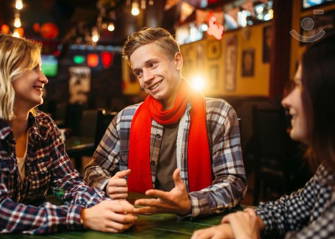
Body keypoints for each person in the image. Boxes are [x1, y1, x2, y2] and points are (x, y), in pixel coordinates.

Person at [0, 34, 136, 235]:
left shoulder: (43, 126)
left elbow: (68, 184)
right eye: (34, 68)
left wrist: (107, 208)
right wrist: (83, 216)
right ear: (5, 73)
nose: (44, 78)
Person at [186, 33, 335, 239]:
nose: (285, 100)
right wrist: (245, 224)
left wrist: (245, 238)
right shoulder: (330, 169)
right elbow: (292, 208)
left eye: (299, 85)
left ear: (326, 98)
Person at [84, 27, 246, 217]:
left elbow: (234, 183)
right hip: (139, 221)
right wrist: (107, 184)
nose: (146, 79)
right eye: (139, 73)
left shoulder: (218, 113)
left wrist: (189, 203)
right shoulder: (126, 119)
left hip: (198, 223)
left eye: (152, 65)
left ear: (177, 61)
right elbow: (92, 169)